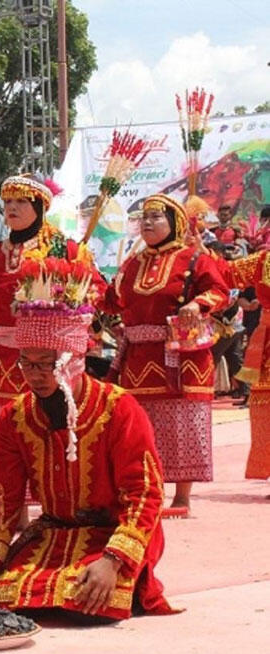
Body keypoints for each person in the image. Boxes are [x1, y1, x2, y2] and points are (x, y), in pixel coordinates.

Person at [0, 256, 176, 622]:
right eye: (26, 363)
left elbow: (145, 494)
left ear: (71, 361)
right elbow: (3, 496)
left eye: (45, 364)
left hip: (115, 534)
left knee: (90, 601)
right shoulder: (14, 417)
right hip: (55, 532)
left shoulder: (119, 409)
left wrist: (113, 562)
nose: (34, 376)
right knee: (6, 599)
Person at [0, 174, 91, 501]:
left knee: (48, 423)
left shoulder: (65, 248)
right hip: (0, 357)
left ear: (39, 206)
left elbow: (93, 292)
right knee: (4, 429)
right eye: (7, 202)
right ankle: (12, 503)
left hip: (47, 355)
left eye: (20, 201)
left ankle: (54, 498)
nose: (11, 207)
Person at [101, 193, 230, 516]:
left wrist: (196, 304)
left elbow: (219, 292)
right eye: (144, 217)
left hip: (180, 356)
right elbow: (112, 301)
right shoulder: (133, 263)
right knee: (139, 425)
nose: (147, 223)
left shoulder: (194, 259)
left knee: (181, 422)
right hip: (138, 356)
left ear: (175, 224)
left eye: (156, 217)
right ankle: (147, 489)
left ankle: (182, 496)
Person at [229, 247, 270, 479]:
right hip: (267, 344)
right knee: (266, 411)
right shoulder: (264, 259)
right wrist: (200, 252)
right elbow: (228, 272)